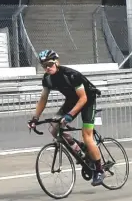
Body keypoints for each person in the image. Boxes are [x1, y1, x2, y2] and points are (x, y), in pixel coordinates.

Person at [29, 49, 104, 186]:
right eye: (44, 65)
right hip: (71, 100)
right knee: (54, 128)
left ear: (57, 62)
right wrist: (34, 119)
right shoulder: (47, 78)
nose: (47, 68)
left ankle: (99, 170)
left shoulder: (71, 75)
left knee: (87, 136)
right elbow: (43, 99)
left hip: (87, 100)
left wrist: (69, 116)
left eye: (50, 64)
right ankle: (80, 150)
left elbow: (83, 98)